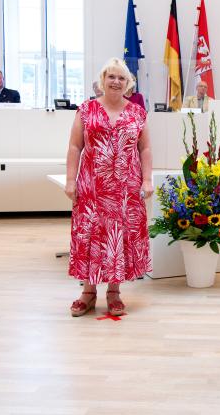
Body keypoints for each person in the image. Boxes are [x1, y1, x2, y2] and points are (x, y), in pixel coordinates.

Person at [65, 58, 154, 317]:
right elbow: (74, 147)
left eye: (121, 78)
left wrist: (147, 180)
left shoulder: (138, 112)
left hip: (125, 188)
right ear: (102, 80)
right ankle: (88, 292)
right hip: (92, 187)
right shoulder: (86, 110)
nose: (116, 82)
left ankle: (114, 292)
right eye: (111, 77)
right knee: (90, 236)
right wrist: (71, 180)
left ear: (128, 84)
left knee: (118, 236)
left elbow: (145, 148)